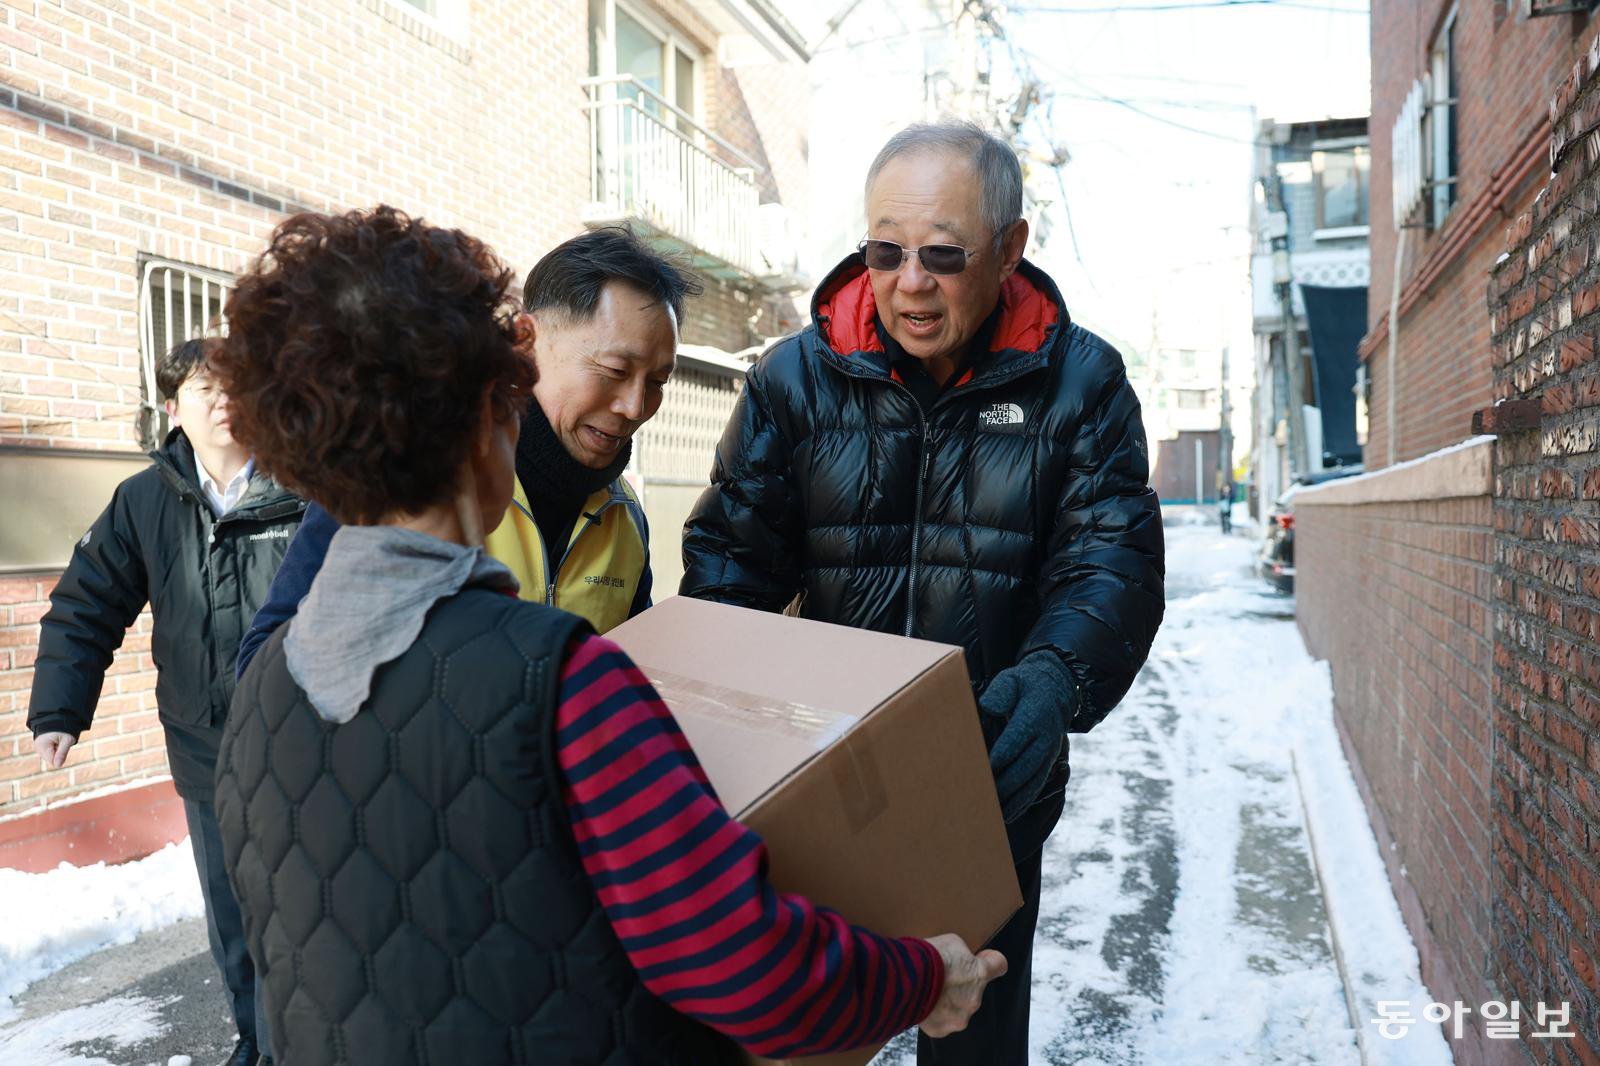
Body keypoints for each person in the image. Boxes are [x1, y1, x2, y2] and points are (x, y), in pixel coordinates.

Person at [210, 204, 1006, 1065]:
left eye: (656, 381)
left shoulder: (259, 696)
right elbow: (740, 962)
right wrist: (922, 978)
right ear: (490, 413)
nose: (635, 407)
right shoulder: (564, 684)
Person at [680, 121, 1167, 1064]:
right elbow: (731, 565)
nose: (910, 283)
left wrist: (1054, 678)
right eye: (884, 252)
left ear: (1010, 248)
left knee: (974, 1035)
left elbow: (1109, 563)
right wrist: (737, 724)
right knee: (798, 1030)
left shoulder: (1082, 382)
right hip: (820, 781)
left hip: (986, 782)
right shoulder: (793, 379)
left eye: (944, 255)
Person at [233, 225, 690, 677]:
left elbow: (640, 671)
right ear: (529, 342)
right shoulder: (402, 473)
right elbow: (263, 665)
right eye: (615, 370)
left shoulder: (625, 515)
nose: (635, 406)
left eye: (657, 382)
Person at [28, 338, 305, 1066]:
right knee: (234, 921)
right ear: (174, 408)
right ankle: (258, 1044)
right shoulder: (144, 501)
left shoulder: (308, 488)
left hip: (305, 746)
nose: (223, 401)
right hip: (204, 749)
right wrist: (59, 709)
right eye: (204, 389)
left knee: (307, 910)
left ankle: (310, 1043)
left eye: (236, 386)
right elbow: (86, 604)